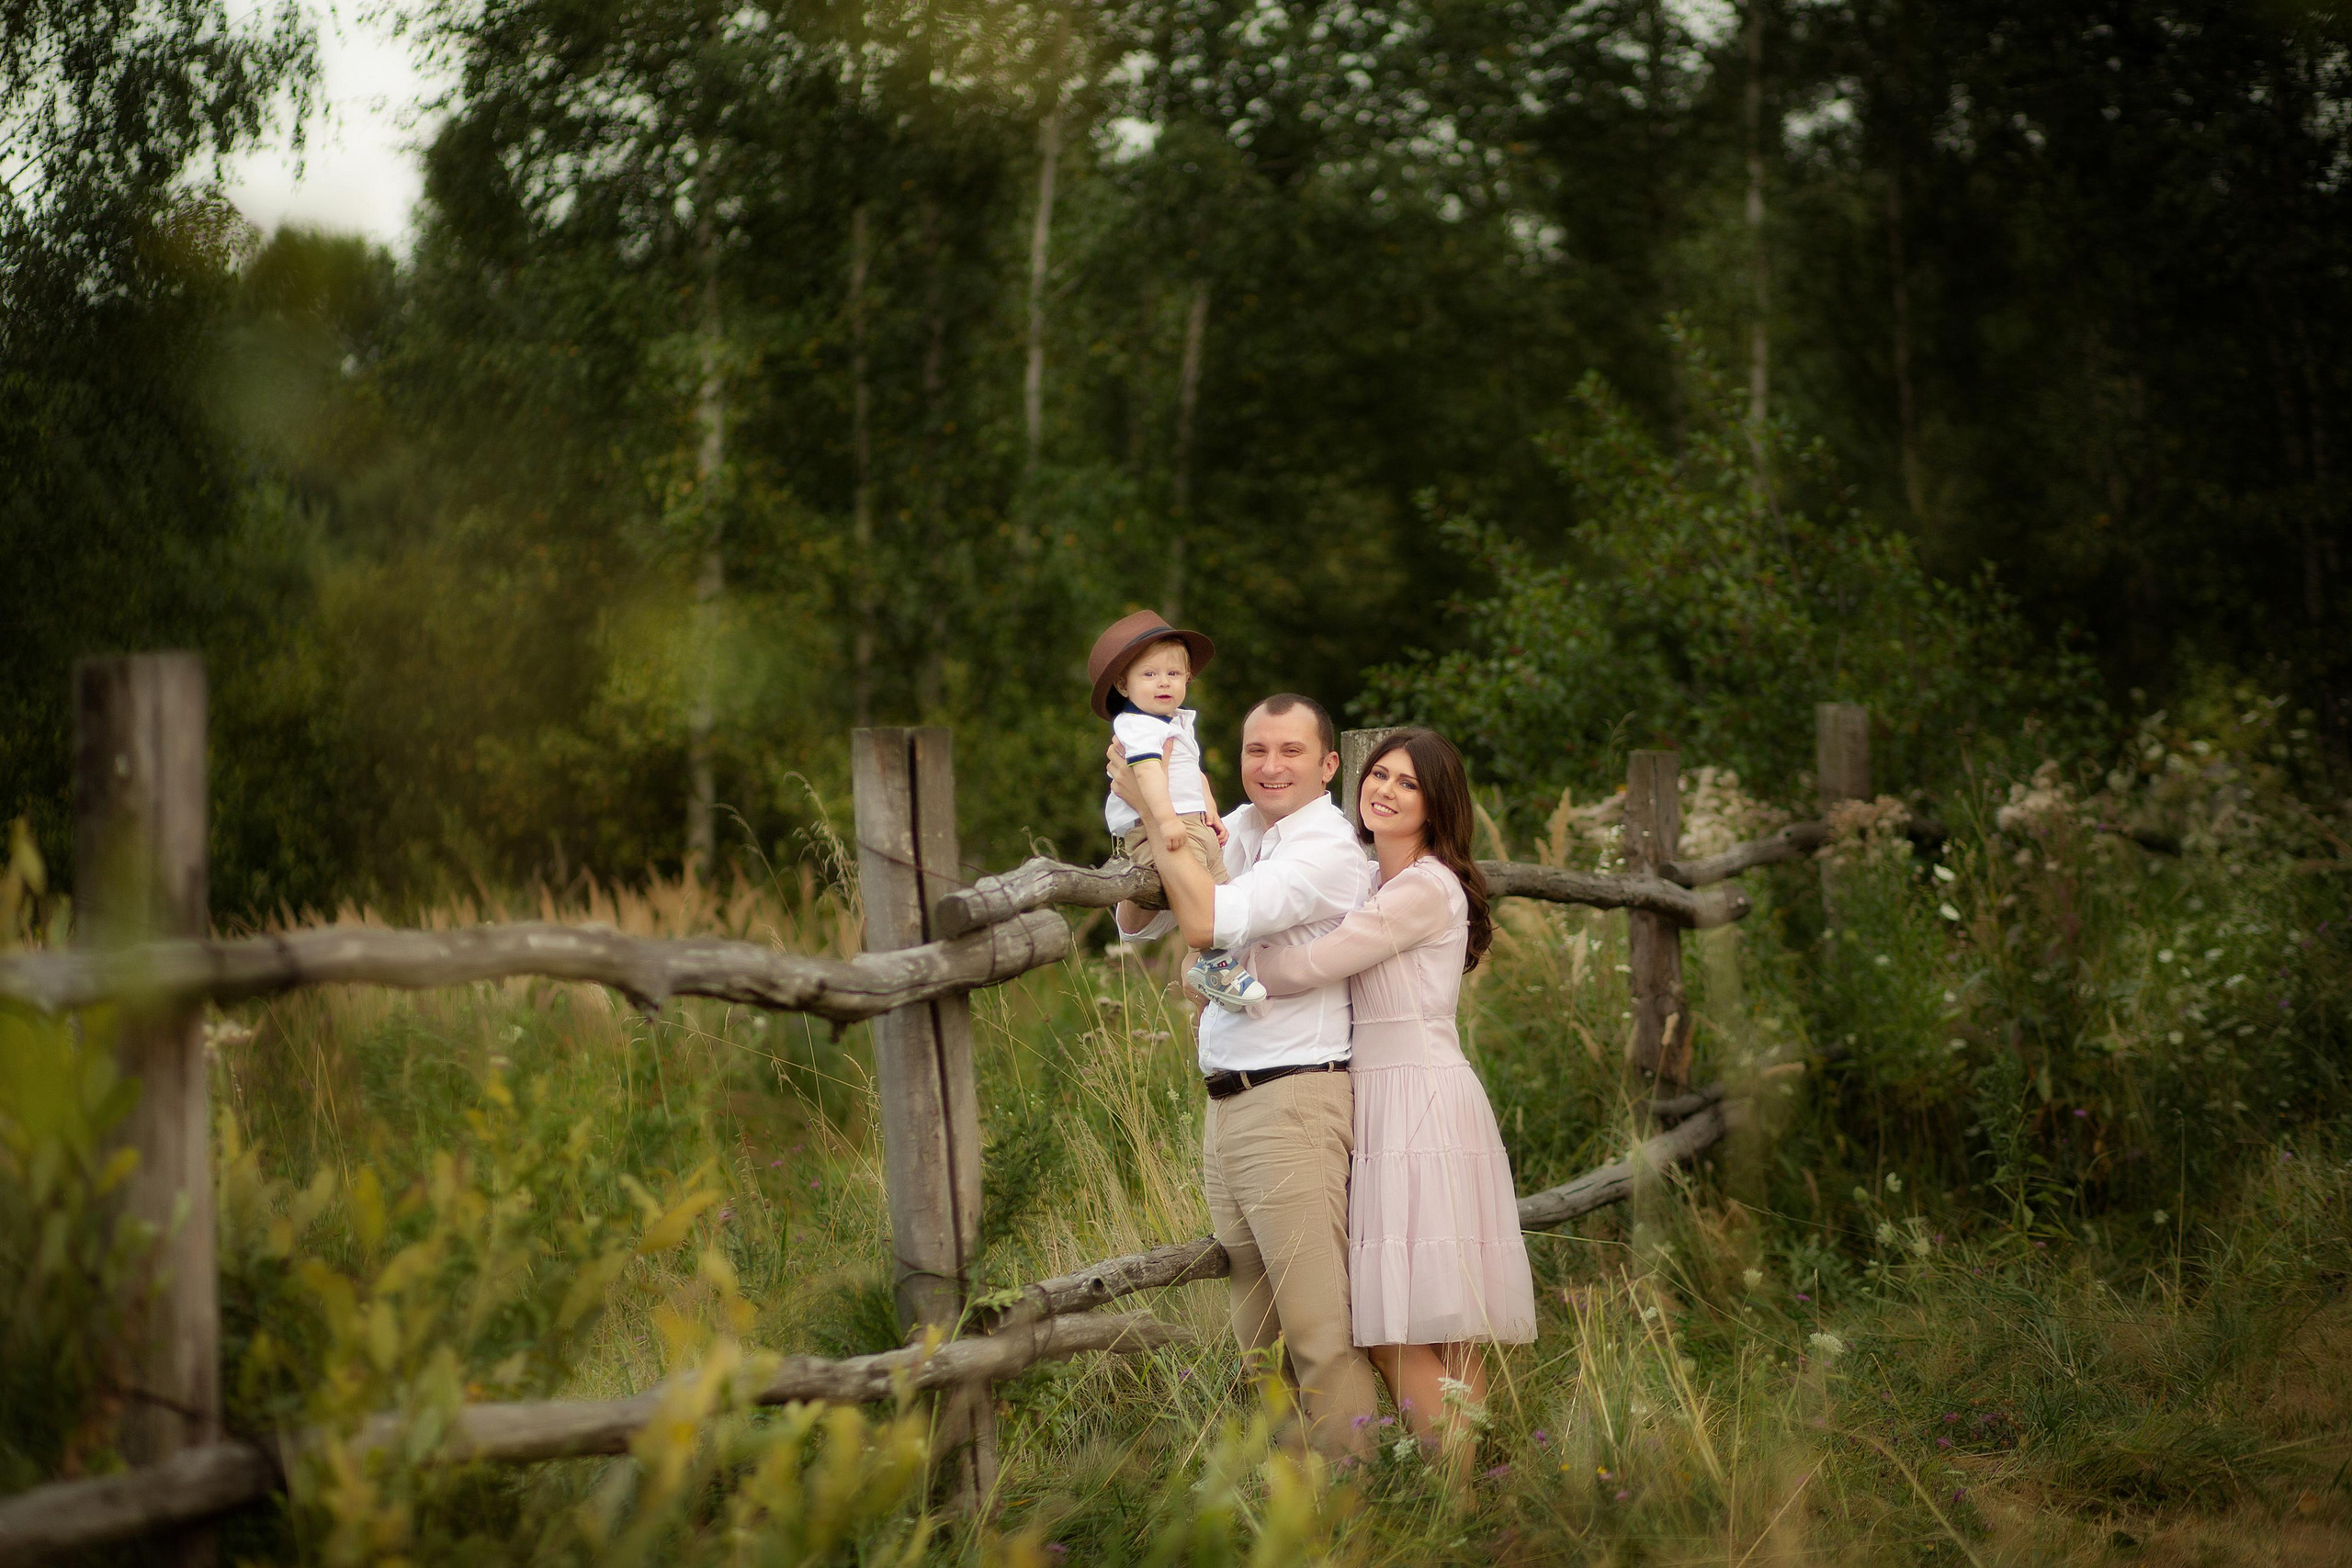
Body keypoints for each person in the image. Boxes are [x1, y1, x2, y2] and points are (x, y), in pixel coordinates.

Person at [1238, 728, 1536, 1472]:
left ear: (1437, 803)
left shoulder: (1423, 887)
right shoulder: (1374, 879)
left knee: (1392, 1325)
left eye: (1408, 782)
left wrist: (1232, 961)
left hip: (1416, 1101)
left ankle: (1452, 1499)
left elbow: (1315, 960)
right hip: (1403, 1094)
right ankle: (1469, 1499)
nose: (1385, 790)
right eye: (1379, 774)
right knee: (1441, 1316)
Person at [1111, 694, 1381, 1460]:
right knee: (1257, 1340)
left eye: (1291, 751)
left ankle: (1357, 1520)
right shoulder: (1241, 824)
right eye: (1256, 750)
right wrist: (1152, 817)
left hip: (1294, 1097)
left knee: (1317, 1335)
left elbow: (1202, 922)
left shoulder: (1326, 848)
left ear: (1329, 765)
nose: (1270, 766)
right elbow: (1138, 920)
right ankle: (1288, 1510)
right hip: (1229, 1106)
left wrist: (1156, 806)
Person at [1086, 610, 1264, 1009]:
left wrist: (1212, 812)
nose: (1163, 682)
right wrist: (1164, 821)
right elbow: (1148, 775)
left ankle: (1217, 965)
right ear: (1124, 685)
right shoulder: (1138, 726)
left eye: (1173, 674)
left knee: (1221, 890)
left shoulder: (1176, 723)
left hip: (1192, 822)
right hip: (1158, 825)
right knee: (1193, 889)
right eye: (1149, 675)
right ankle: (1210, 963)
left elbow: (1192, 773)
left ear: (1187, 680)